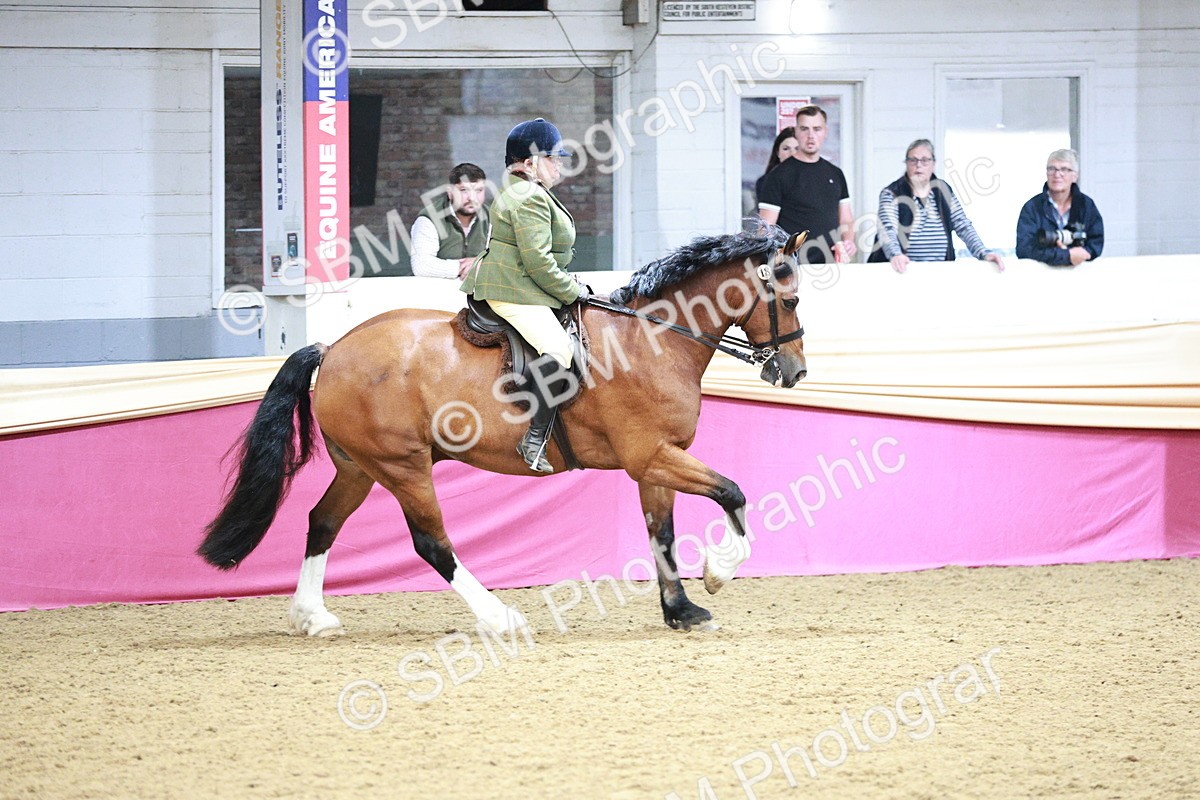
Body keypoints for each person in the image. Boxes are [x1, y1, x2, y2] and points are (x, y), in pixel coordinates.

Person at [460, 118, 586, 474]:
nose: (559, 165)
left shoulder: (528, 189)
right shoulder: (527, 196)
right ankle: (534, 439)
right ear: (530, 162)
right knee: (559, 349)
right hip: (511, 289)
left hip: (522, 283)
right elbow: (538, 263)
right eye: (553, 158)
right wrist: (573, 291)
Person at [868, 139, 1005, 273]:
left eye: (925, 160)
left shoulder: (943, 190)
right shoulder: (891, 193)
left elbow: (962, 225)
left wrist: (983, 253)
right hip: (902, 272)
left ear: (933, 164)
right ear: (906, 164)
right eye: (913, 160)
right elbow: (887, 229)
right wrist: (895, 255)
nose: (918, 165)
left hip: (940, 271)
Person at [757, 105, 857, 263]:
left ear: (825, 132)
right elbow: (766, 229)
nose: (811, 136)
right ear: (796, 132)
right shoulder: (778, 175)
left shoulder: (836, 174)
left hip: (832, 266)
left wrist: (848, 241)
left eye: (817, 129)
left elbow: (846, 219)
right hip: (793, 268)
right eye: (804, 129)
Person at [1016, 149, 1104, 267]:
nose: (1057, 175)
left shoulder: (1086, 205)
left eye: (1064, 169)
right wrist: (1066, 255)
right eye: (1052, 169)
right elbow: (1024, 249)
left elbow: (1096, 244)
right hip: (1041, 275)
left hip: (1079, 275)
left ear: (1075, 176)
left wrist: (1083, 253)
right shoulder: (1032, 207)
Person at [410, 163, 490, 279]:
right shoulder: (429, 219)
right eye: (464, 190)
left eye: (478, 190)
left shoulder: (493, 217)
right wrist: (468, 267)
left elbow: (507, 260)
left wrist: (482, 263)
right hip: (438, 289)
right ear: (450, 192)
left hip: (481, 290)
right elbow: (421, 265)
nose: (472, 198)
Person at [754, 126, 798, 202]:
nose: (792, 154)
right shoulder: (765, 182)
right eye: (786, 149)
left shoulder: (813, 179)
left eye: (797, 149)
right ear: (778, 152)